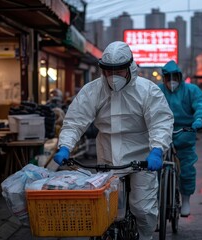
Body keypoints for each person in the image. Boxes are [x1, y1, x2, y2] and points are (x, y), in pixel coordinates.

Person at [53, 41, 174, 240]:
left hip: (142, 157)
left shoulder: (147, 91)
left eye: (119, 71)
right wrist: (65, 146)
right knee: (108, 211)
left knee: (142, 207)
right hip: (107, 157)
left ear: (130, 68)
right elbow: (75, 121)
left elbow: (160, 122)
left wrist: (157, 150)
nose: (113, 77)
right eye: (109, 72)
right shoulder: (93, 91)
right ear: (103, 70)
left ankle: (146, 237)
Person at [158, 60, 202, 217]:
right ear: (164, 79)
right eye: (168, 78)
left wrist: (199, 120)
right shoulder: (158, 90)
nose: (172, 81)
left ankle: (186, 199)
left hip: (186, 132)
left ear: (180, 77)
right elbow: (147, 106)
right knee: (151, 168)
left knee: (187, 168)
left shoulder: (191, 90)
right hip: (161, 132)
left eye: (175, 77)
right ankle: (154, 203)